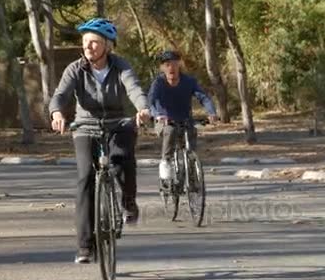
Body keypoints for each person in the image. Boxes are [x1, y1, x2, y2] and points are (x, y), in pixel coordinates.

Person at [49, 18, 151, 263]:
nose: (88, 47)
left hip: (118, 124)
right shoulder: (75, 69)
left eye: (94, 43)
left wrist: (143, 109)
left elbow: (134, 89)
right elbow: (60, 94)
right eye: (85, 42)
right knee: (85, 178)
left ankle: (128, 204)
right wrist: (57, 112)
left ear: (107, 46)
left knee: (122, 160)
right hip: (85, 127)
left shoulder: (121, 66)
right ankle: (85, 247)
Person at [147, 50, 218, 181]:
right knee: (170, 130)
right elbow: (150, 101)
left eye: (174, 64)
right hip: (164, 121)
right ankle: (166, 161)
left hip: (185, 121)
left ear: (179, 65)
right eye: (167, 64)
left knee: (191, 137)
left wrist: (211, 112)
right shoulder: (158, 83)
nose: (171, 68)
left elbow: (203, 97)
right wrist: (157, 115)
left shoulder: (189, 81)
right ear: (162, 67)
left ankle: (192, 172)